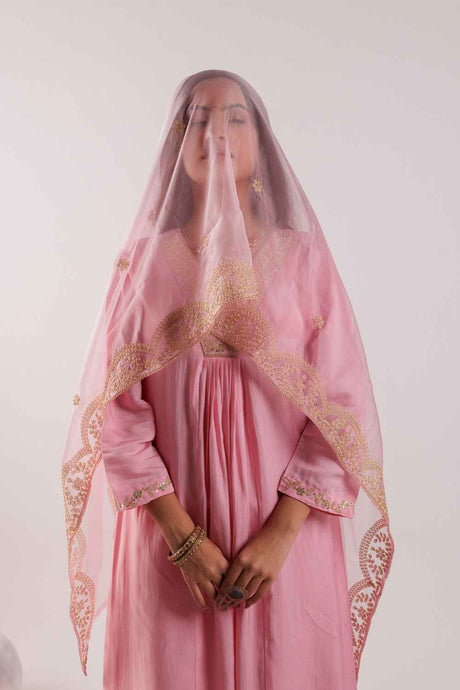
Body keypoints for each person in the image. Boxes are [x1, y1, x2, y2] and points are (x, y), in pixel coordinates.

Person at [60, 69, 395, 689]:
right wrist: (184, 542)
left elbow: (341, 409)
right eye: (199, 119)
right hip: (168, 550)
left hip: (287, 549)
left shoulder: (303, 262)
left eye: (236, 118)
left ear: (260, 146)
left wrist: (279, 536)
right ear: (176, 145)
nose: (217, 132)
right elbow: (115, 418)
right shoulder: (143, 268)